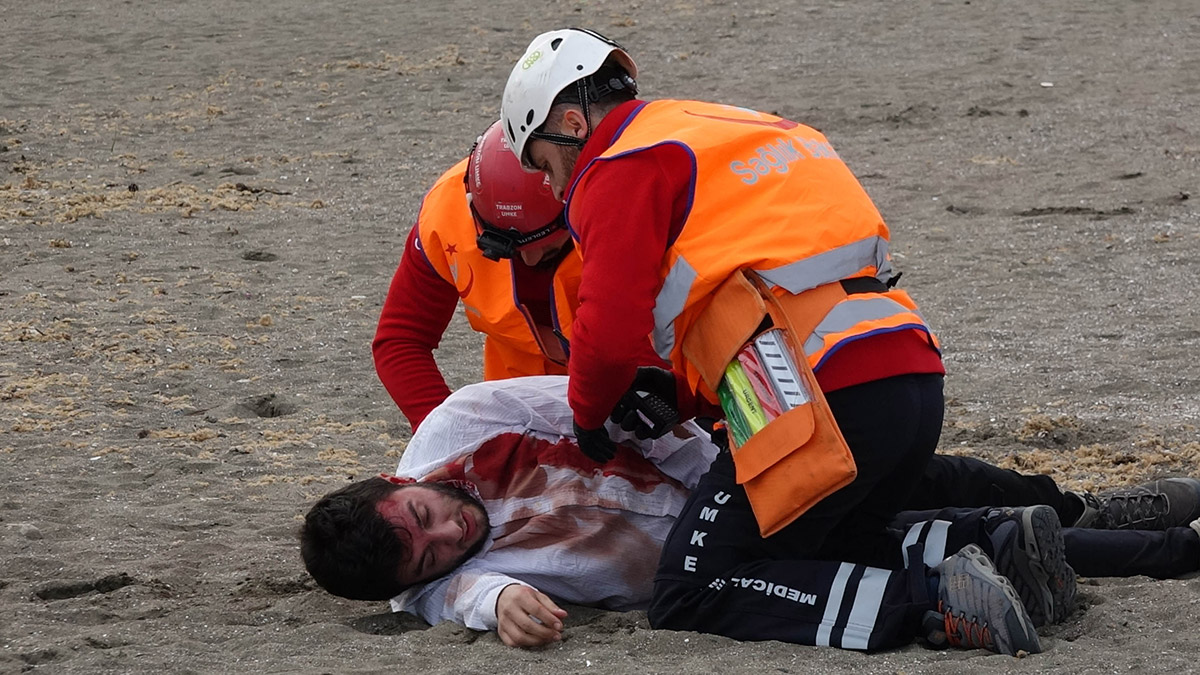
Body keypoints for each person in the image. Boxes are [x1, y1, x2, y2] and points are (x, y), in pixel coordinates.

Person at [495, 28, 1198, 653]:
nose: (553, 186)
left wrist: (588, 412)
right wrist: (681, 392)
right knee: (835, 544)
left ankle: (939, 604)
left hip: (817, 401)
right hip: (905, 366)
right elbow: (767, 280)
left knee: (690, 587)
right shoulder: (738, 129)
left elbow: (608, 329)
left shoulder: (617, 162)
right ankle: (1058, 547)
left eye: (546, 164)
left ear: (572, 121)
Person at [300, 377, 1200, 652]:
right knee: (932, 530)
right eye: (431, 554)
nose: (449, 534)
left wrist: (741, 478)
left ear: (395, 476)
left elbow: (609, 400)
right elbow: (431, 596)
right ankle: (1159, 544)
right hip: (743, 531)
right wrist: (489, 597)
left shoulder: (464, 423)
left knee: (926, 480)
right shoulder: (437, 582)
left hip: (728, 469)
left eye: (424, 512)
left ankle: (1085, 505)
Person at [372, 121, 585, 430]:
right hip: (518, 408)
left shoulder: (621, 203)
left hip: (630, 390)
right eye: (508, 247)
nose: (531, 258)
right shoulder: (448, 214)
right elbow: (401, 339)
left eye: (547, 245)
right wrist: (454, 432)